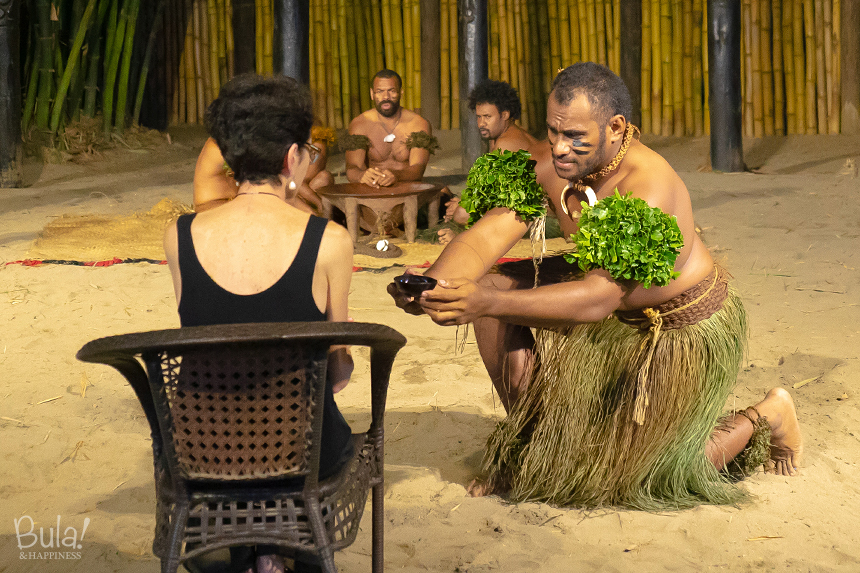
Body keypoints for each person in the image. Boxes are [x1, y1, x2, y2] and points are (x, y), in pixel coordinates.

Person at [390, 63, 802, 510]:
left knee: (635, 477)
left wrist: (485, 300)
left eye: (575, 137)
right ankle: (529, 441)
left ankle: (767, 415)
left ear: (615, 128)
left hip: (673, 327)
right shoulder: (551, 165)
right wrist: (435, 285)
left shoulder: (647, 185)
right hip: (605, 302)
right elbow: (484, 238)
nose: (559, 147)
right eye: (553, 131)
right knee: (489, 287)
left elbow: (599, 299)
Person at [164, 74, 354, 573]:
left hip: (205, 449)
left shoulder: (178, 235)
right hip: (298, 452)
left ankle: (251, 550)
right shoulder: (329, 240)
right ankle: (287, 549)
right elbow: (338, 371)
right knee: (331, 431)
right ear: (292, 157)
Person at [440, 80, 557, 243]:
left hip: (541, 215)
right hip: (527, 205)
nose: (481, 123)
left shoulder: (506, 143)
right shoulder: (509, 134)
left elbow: (492, 196)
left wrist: (462, 204)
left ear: (505, 115)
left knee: (461, 214)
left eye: (487, 117)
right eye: (479, 117)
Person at [193, 125, 334, 215]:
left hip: (238, 203)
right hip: (212, 208)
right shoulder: (222, 143)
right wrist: (311, 210)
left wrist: (316, 206)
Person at [344, 69, 436, 189]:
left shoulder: (418, 124)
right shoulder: (360, 124)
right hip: (372, 189)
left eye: (392, 91)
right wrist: (361, 175)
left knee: (442, 192)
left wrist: (396, 176)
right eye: (380, 91)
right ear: (372, 94)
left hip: (406, 189)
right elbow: (352, 167)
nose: (386, 97)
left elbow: (418, 169)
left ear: (401, 92)